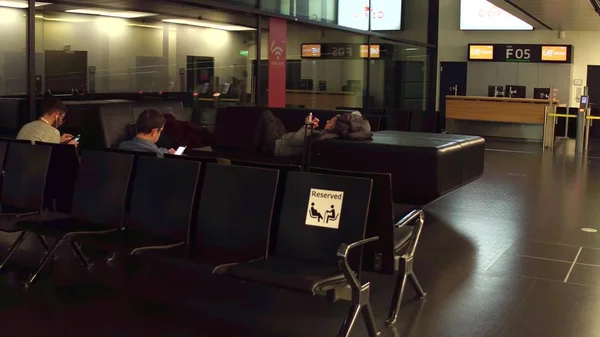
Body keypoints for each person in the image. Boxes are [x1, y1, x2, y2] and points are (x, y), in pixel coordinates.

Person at [255, 110, 372, 157]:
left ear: (336, 127)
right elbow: (357, 113)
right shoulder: (329, 134)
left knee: (267, 114)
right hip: (282, 139)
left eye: (330, 122)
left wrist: (307, 126)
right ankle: (261, 148)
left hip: (276, 145)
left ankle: (255, 152)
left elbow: (294, 140)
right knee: (275, 120)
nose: (327, 121)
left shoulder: (317, 136)